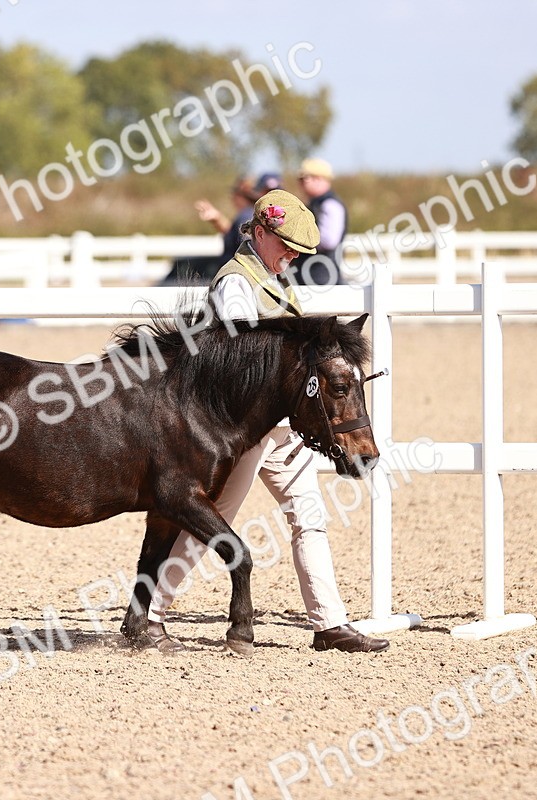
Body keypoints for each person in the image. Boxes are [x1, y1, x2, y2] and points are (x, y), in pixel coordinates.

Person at [144, 188, 389, 654]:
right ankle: (150, 615)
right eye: (286, 246)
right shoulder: (236, 282)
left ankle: (329, 624)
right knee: (212, 524)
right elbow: (242, 357)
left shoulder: (274, 279)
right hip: (246, 433)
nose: (293, 256)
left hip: (286, 429)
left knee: (309, 519)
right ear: (259, 233)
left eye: (299, 251)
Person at [160, 173, 282, 286]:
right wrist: (217, 219)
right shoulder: (255, 216)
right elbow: (238, 235)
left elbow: (247, 245)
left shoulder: (246, 215)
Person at [297, 157, 347, 285]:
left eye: (304, 179)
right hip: (313, 276)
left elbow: (328, 241)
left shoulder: (330, 205)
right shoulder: (317, 204)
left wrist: (297, 239)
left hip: (322, 278)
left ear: (318, 178)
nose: (301, 183)